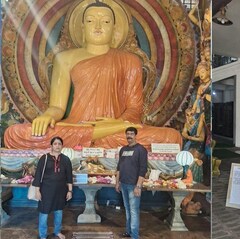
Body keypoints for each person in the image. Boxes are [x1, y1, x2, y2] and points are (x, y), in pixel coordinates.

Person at [4, 1, 182, 150]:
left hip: (117, 129)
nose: (97, 27)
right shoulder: (65, 58)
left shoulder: (131, 60)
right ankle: (95, 136)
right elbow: (57, 107)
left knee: (171, 138)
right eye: (90, 21)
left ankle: (94, 137)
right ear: (82, 27)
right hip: (76, 126)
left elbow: (135, 109)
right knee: (14, 134)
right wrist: (47, 116)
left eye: (105, 22)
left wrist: (116, 123)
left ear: (114, 27)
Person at [32, 136, 73, 239]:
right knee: (44, 213)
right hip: (46, 191)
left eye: (59, 144)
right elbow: (38, 175)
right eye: (55, 144)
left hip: (61, 191)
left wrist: (70, 191)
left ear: (62, 146)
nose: (57, 146)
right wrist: (37, 191)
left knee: (59, 212)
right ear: (51, 146)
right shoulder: (44, 158)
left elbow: (69, 176)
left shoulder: (65, 159)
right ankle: (43, 236)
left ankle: (57, 231)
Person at [115, 127, 148, 239]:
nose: (129, 136)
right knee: (128, 210)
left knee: (134, 211)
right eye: (127, 134)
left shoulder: (141, 150)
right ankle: (128, 231)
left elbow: (143, 169)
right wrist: (117, 182)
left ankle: (134, 237)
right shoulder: (123, 149)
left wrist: (138, 186)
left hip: (134, 185)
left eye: (131, 134)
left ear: (136, 135)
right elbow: (119, 167)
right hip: (123, 184)